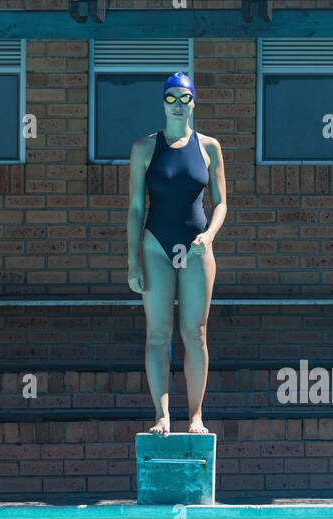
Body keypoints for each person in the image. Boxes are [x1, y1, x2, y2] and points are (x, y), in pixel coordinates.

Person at [127, 72, 228, 435]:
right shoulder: (144, 148)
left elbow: (221, 204)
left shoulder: (209, 147)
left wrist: (210, 235)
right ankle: (161, 415)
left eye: (185, 98)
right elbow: (137, 208)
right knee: (157, 333)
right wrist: (131, 260)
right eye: (171, 98)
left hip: (198, 247)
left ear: (193, 103)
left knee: (195, 332)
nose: (178, 105)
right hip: (155, 246)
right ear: (162, 103)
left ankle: (196, 416)